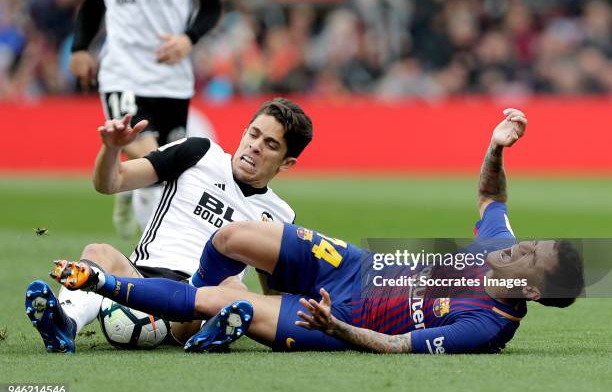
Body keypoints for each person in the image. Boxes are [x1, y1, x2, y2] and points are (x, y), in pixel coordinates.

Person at [45, 108, 584, 354]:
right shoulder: (497, 247)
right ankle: (197, 314)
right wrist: (496, 146)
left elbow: (397, 346)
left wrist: (335, 328)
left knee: (220, 301)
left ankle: (110, 287)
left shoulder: (486, 326)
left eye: (532, 255)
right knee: (231, 239)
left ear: (532, 291)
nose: (522, 245)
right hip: (348, 264)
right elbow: (492, 197)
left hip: (343, 317)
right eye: (532, 240)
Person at [25, 97, 314, 353]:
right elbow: (111, 182)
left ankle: (209, 334)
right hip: (136, 283)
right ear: (244, 131)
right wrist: (111, 150)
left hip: (195, 302)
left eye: (270, 144)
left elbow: (274, 299)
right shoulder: (199, 152)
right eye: (254, 134)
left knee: (234, 287)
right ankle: (65, 325)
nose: (255, 146)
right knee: (98, 252)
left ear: (286, 163)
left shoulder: (280, 216)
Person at [69, 0, 222, 237]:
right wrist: (79, 47)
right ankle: (151, 254)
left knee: (167, 170)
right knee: (155, 164)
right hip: (122, 76)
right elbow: (93, 5)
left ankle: (129, 186)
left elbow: (212, 7)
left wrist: (189, 38)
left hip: (172, 82)